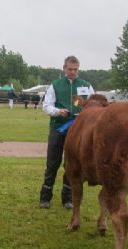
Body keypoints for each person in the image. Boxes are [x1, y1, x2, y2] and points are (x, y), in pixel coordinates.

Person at [39, 55, 94, 209]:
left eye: (75, 69)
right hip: (58, 128)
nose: (72, 72)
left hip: (78, 132)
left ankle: (67, 198)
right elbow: (46, 106)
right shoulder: (55, 85)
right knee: (52, 163)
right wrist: (58, 111)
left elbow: (93, 105)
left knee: (72, 164)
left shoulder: (86, 86)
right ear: (64, 68)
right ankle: (45, 197)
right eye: (70, 69)